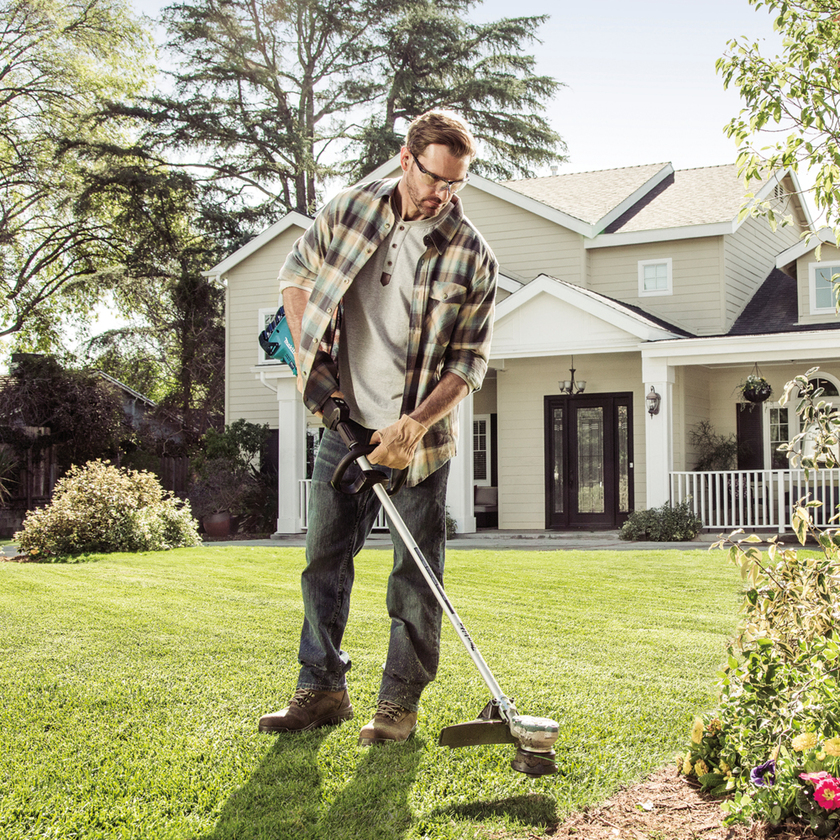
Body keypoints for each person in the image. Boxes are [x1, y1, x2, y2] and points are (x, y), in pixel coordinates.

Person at [258, 110, 498, 745]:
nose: (440, 194)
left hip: (417, 439)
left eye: (454, 183)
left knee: (415, 574)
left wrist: (413, 426)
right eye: (432, 177)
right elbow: (296, 274)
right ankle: (322, 688)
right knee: (323, 560)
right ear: (405, 158)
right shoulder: (348, 210)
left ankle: (398, 704)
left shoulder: (473, 254)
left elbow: (469, 362)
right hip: (345, 422)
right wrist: (315, 366)